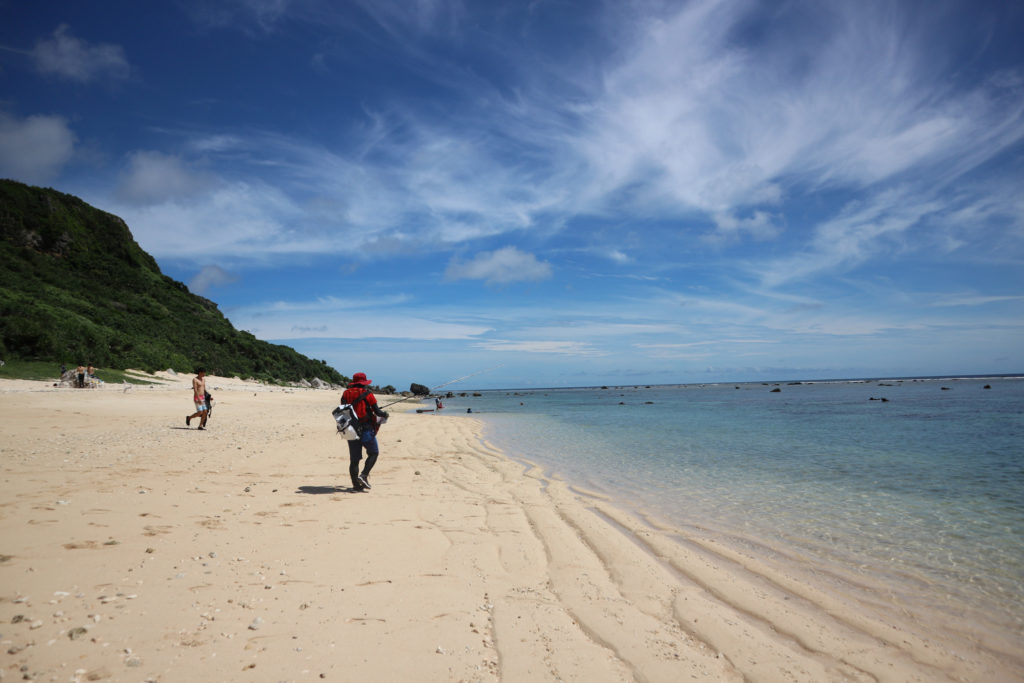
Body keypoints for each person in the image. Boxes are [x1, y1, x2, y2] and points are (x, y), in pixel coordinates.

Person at [341, 372, 388, 491]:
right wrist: (385, 414)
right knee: (373, 453)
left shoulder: (345, 393)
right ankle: (364, 475)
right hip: (366, 428)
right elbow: (377, 412)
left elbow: (344, 409)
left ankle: (356, 486)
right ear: (364, 383)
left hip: (351, 429)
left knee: (354, 459)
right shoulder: (368, 394)